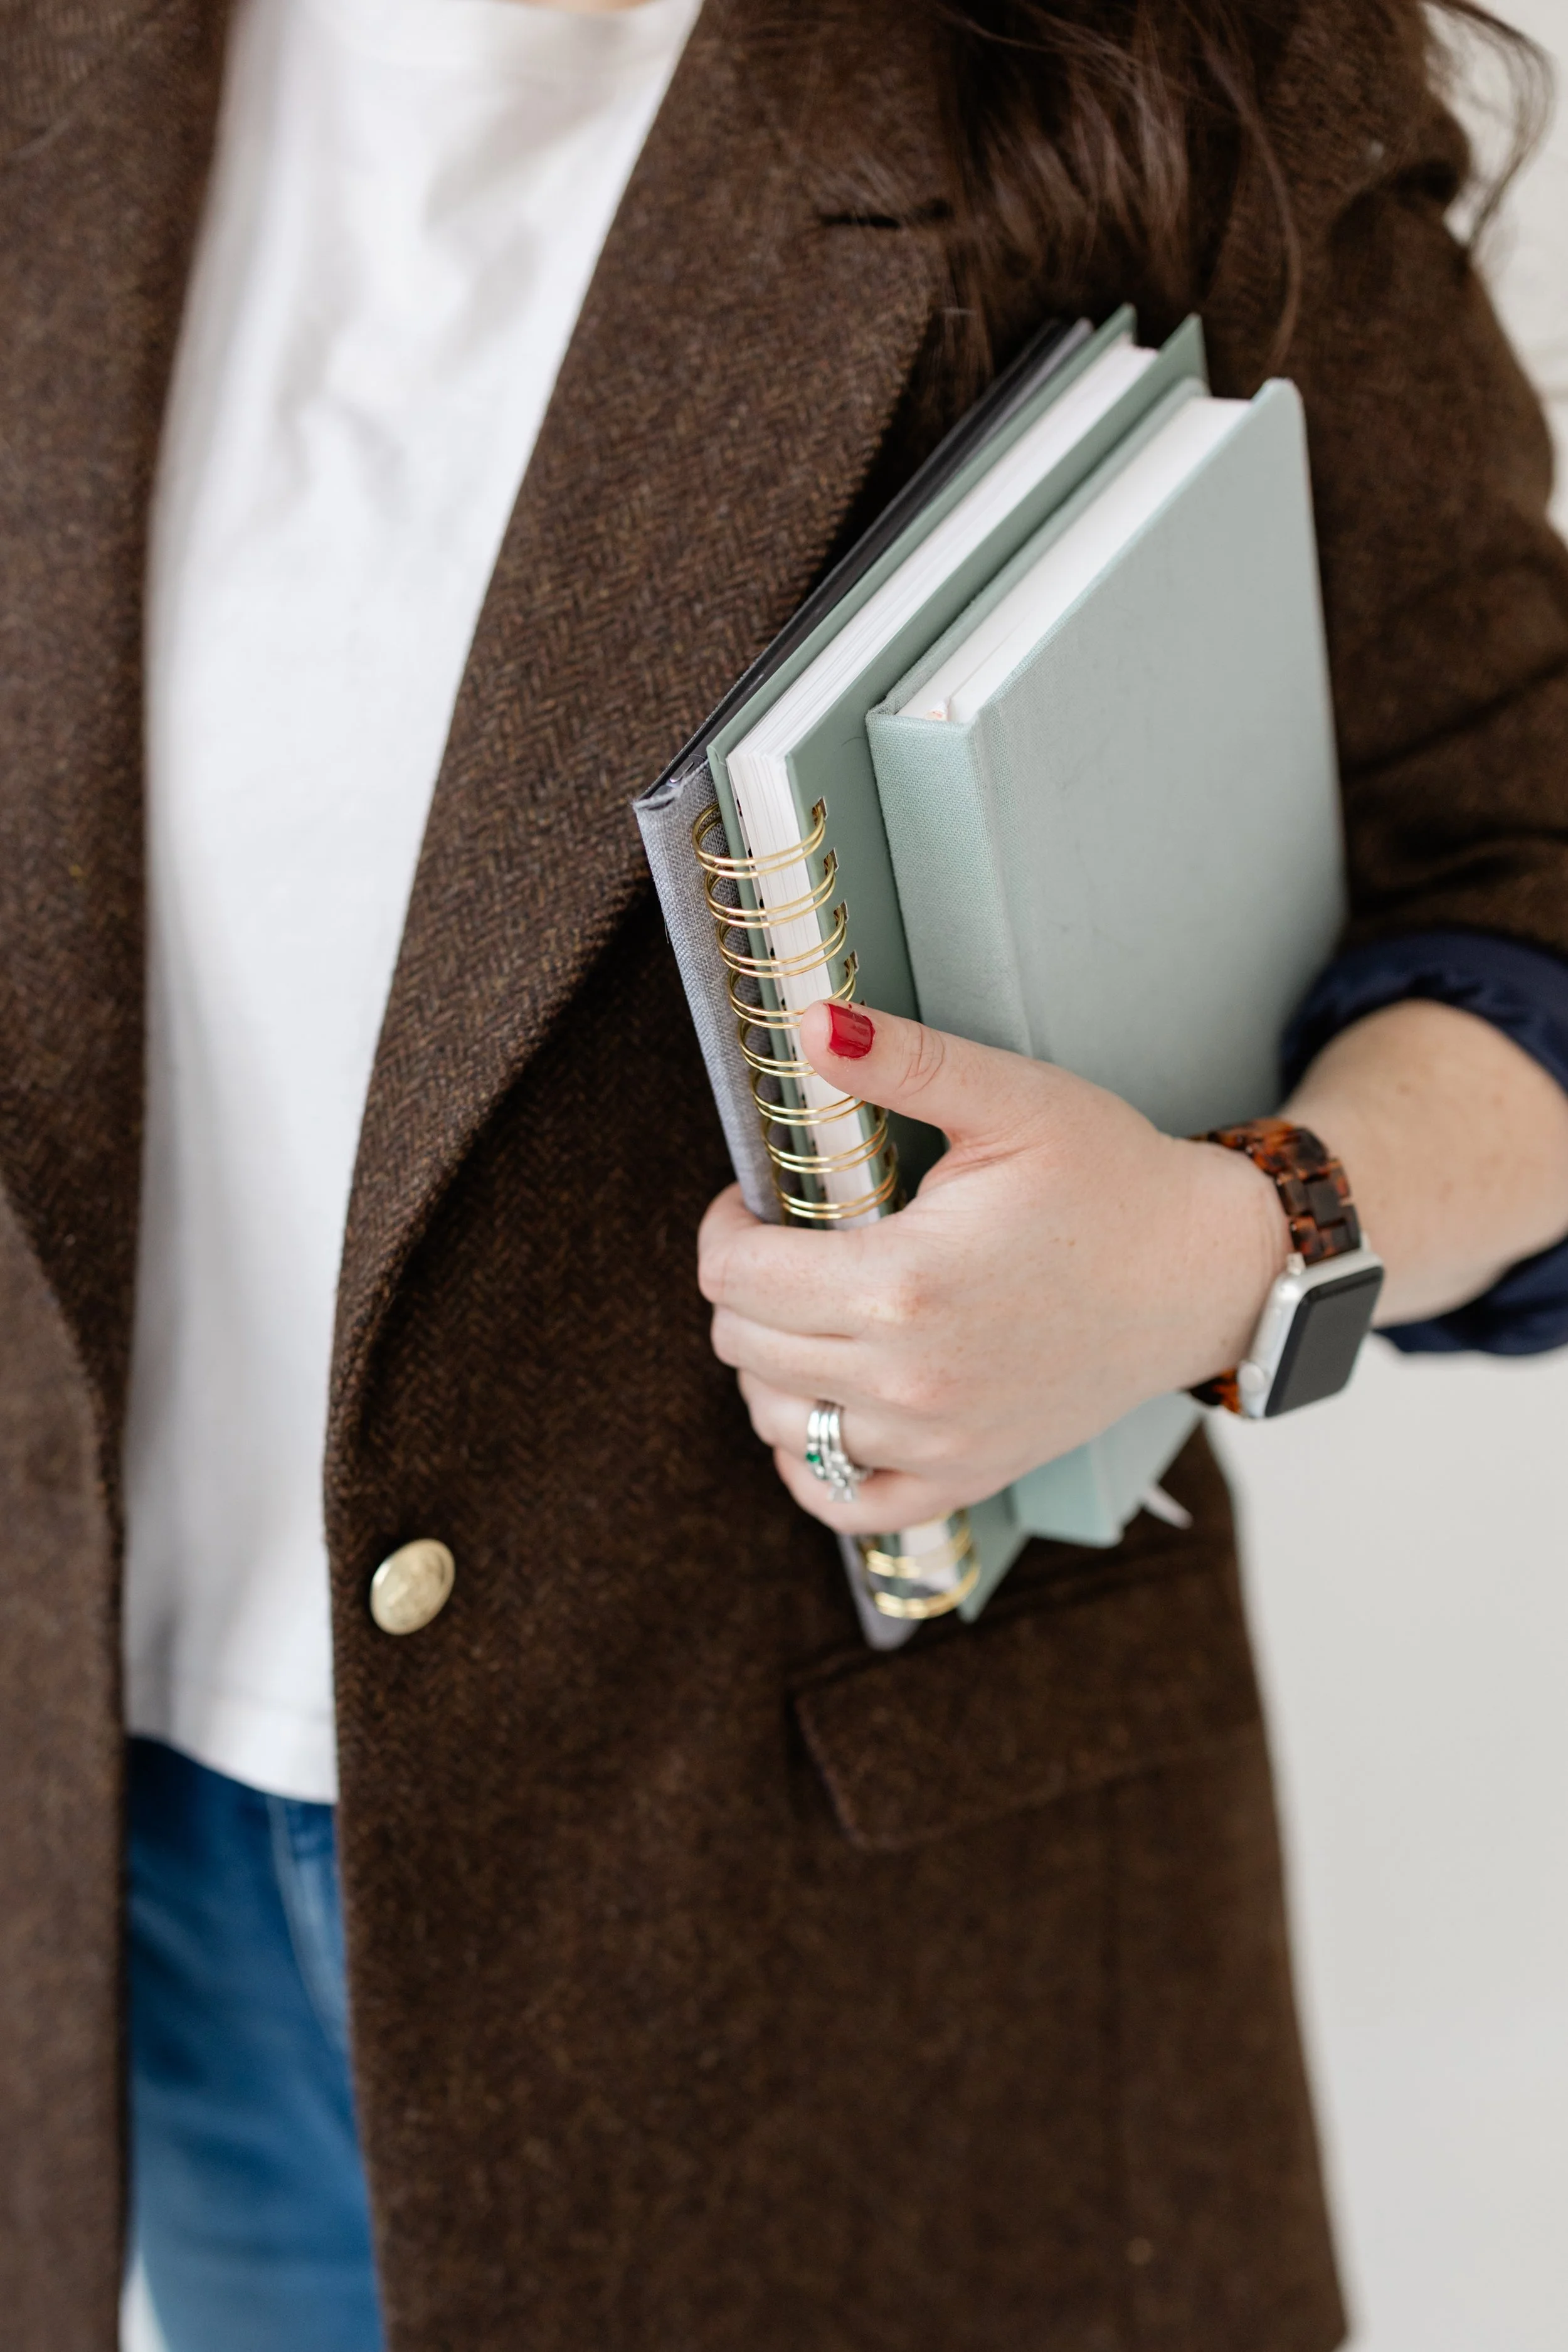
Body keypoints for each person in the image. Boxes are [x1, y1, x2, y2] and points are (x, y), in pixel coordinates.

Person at [1, 0, 1565, 2344]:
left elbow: (1528, 881)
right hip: (131, 1858)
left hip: (848, 1957)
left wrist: (1225, 1244)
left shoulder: (1172, 73)